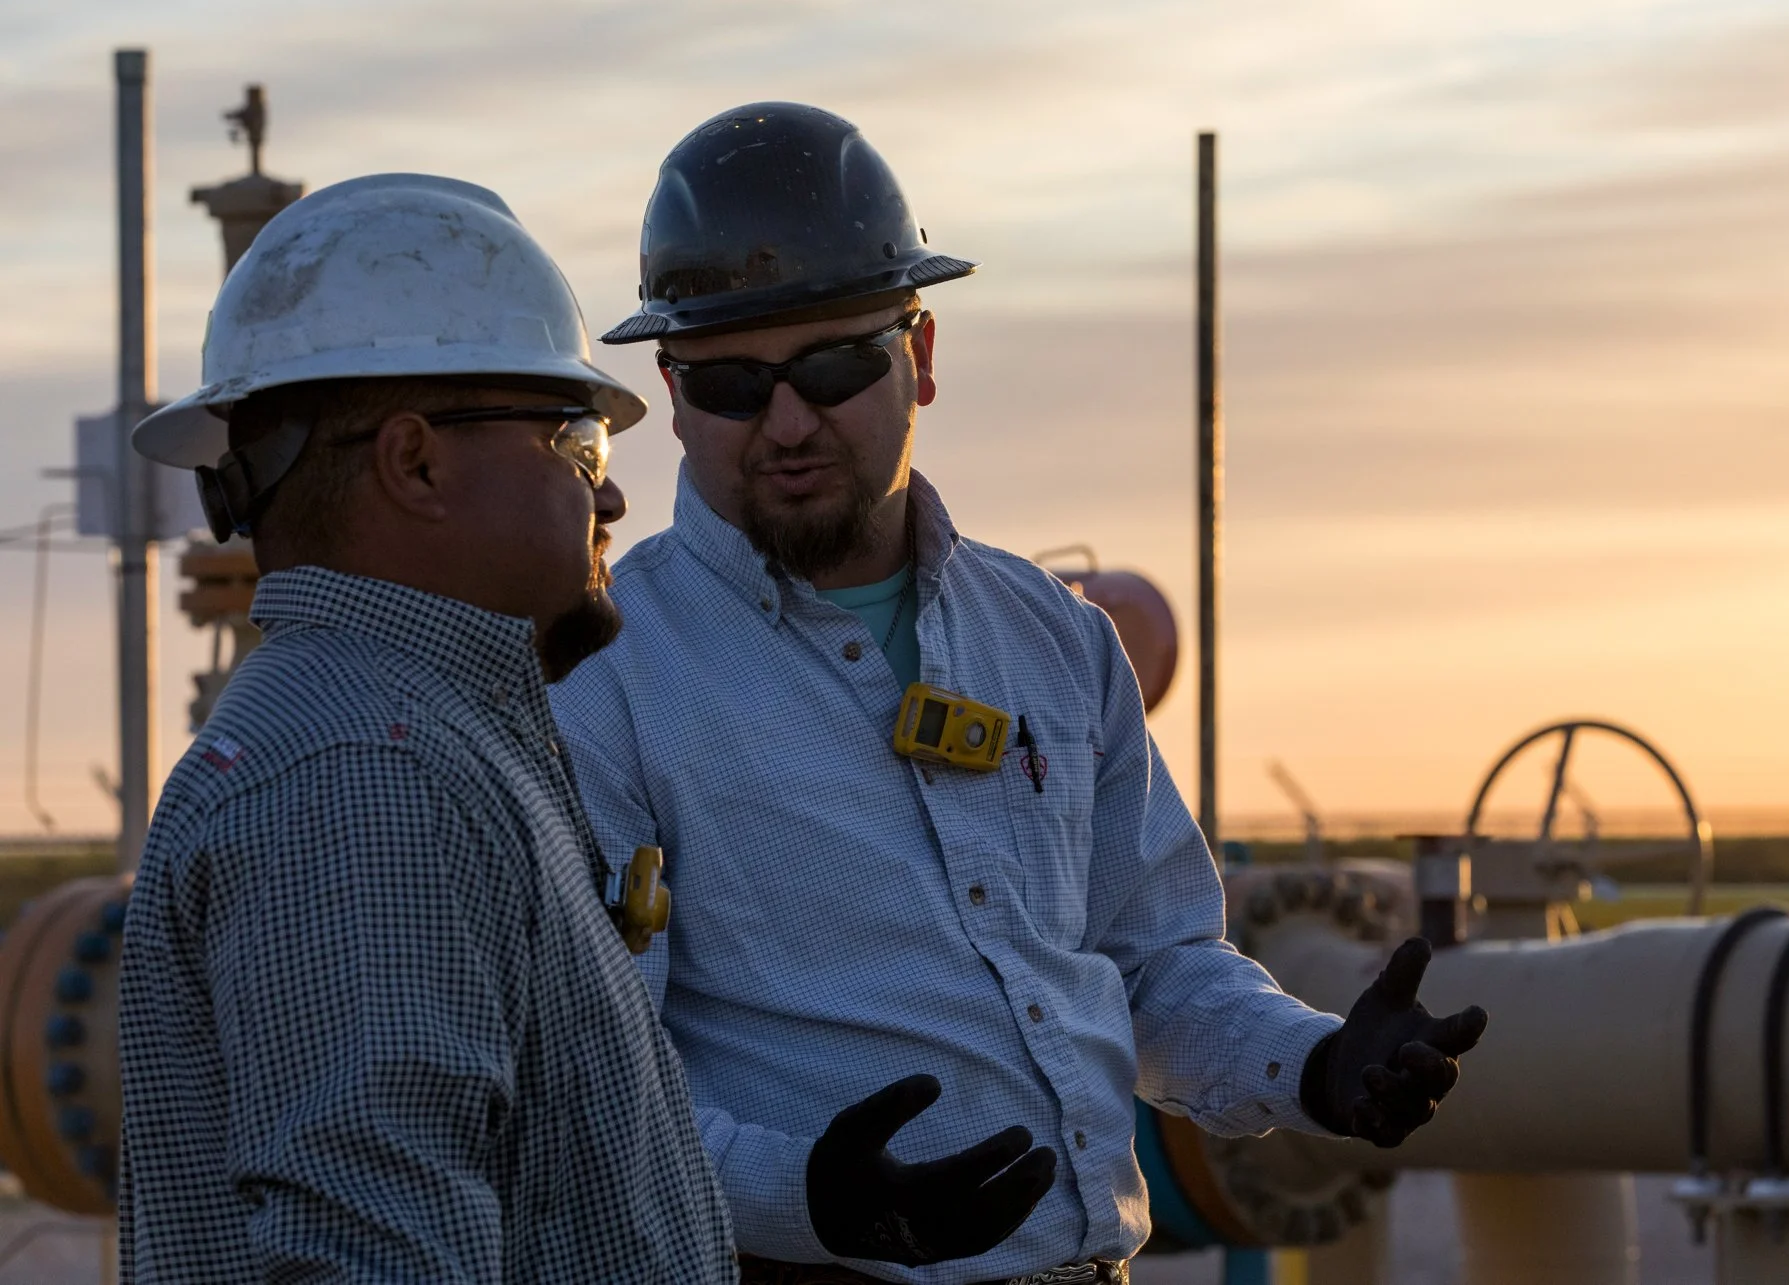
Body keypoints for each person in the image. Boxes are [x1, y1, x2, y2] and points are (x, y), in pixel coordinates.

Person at [552, 103, 1487, 1285]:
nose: (785, 423)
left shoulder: (1052, 640)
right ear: (672, 397)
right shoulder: (608, 674)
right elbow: (595, 1075)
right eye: (732, 383)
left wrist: (1311, 1064)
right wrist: (810, 1202)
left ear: (921, 356)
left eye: (835, 366)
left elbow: (1150, 966)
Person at [118, 173, 736, 1284]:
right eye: (580, 441)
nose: (611, 499)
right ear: (415, 462)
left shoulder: (416, 739)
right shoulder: (365, 777)